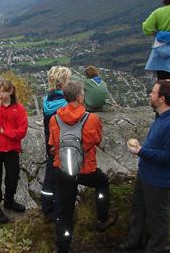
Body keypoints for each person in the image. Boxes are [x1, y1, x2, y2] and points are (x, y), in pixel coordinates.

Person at [49, 81, 117, 253]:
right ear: (80, 97)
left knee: (64, 211)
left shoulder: (54, 119)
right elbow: (97, 140)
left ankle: (63, 247)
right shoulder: (92, 119)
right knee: (102, 183)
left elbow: (52, 145)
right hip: (85, 169)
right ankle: (103, 217)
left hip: (63, 169)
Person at [118, 81, 170, 252]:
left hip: (158, 179)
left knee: (157, 218)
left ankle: (154, 248)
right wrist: (142, 149)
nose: (150, 95)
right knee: (138, 211)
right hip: (145, 174)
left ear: (162, 99)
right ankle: (135, 241)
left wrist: (141, 151)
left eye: (153, 93)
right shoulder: (161, 118)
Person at [0, 78, 28, 223]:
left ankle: (9, 201)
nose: (1, 94)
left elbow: (21, 132)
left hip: (12, 149)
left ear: (11, 91)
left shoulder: (19, 108)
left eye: (4, 91)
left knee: (12, 179)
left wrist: (5, 132)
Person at [40, 66, 72, 221]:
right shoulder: (66, 103)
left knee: (50, 172)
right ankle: (60, 209)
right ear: (63, 82)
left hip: (49, 141)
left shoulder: (46, 101)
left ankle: (46, 206)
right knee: (62, 175)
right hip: (62, 143)